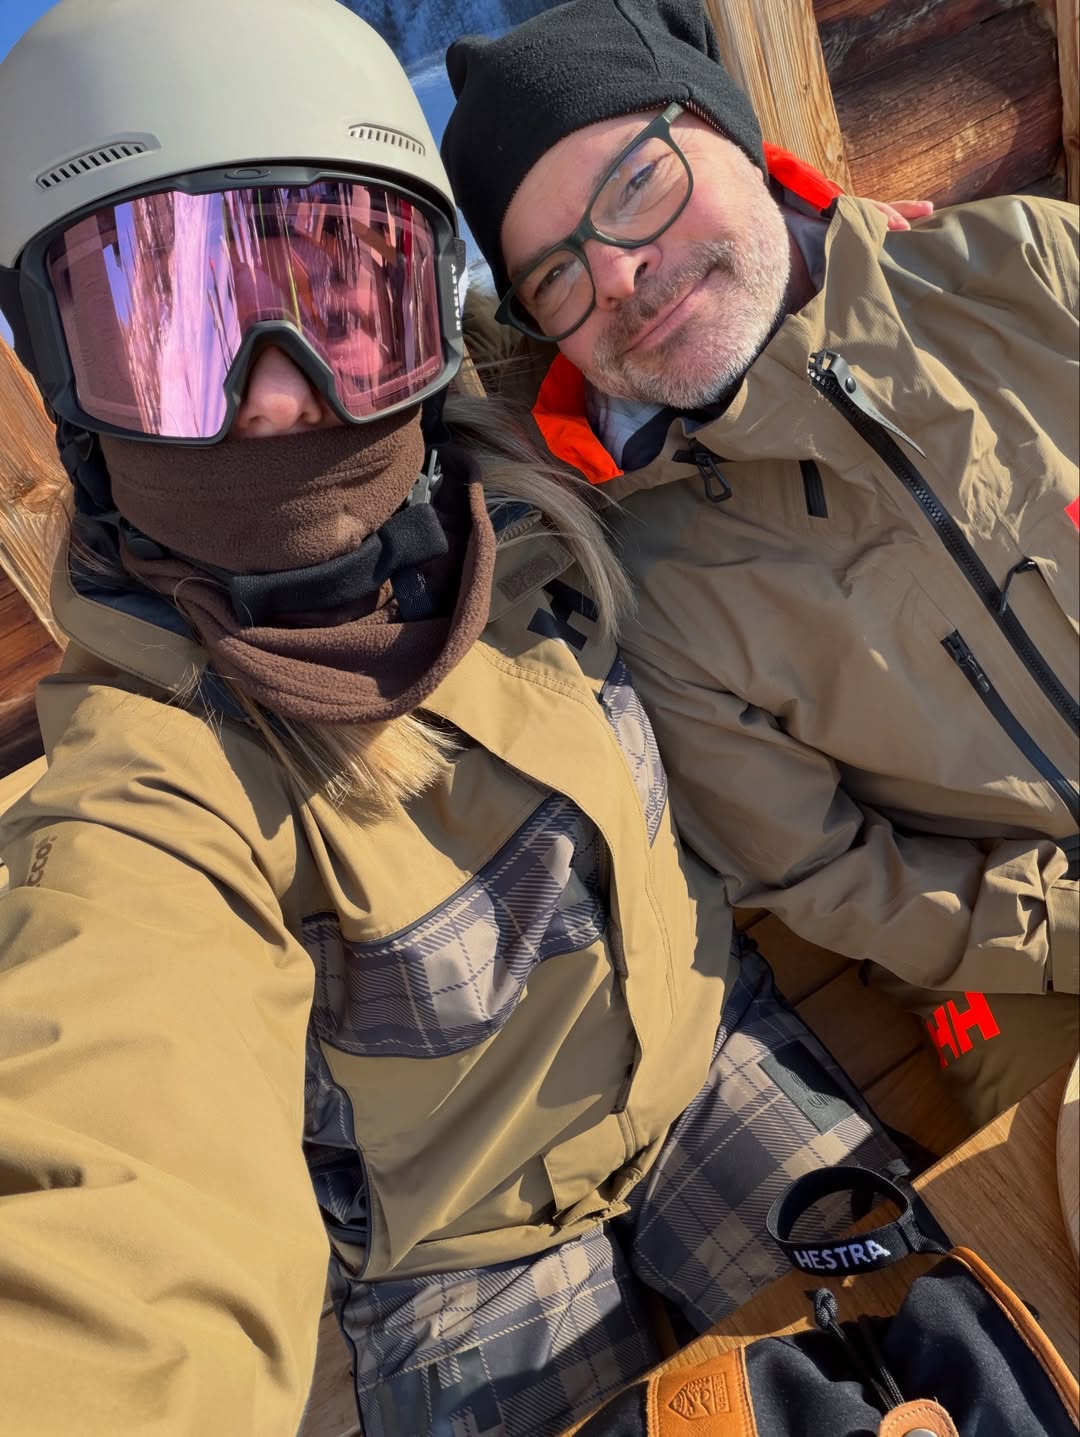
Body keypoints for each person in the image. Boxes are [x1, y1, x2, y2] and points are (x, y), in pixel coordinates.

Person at [0, 2, 903, 1434]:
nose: (281, 399)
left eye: (337, 299)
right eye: (179, 326)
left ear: (423, 310)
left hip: (703, 1062)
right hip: (456, 1266)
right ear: (68, 380)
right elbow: (108, 1191)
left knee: (952, 1357)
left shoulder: (527, 489)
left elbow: (692, 299)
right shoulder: (151, 789)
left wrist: (847, 269)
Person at [441, 0, 1080, 1127]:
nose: (619, 273)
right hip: (1003, 952)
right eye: (556, 277)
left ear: (729, 131)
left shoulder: (1026, 264)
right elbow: (828, 876)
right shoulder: (649, 585)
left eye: (636, 183)